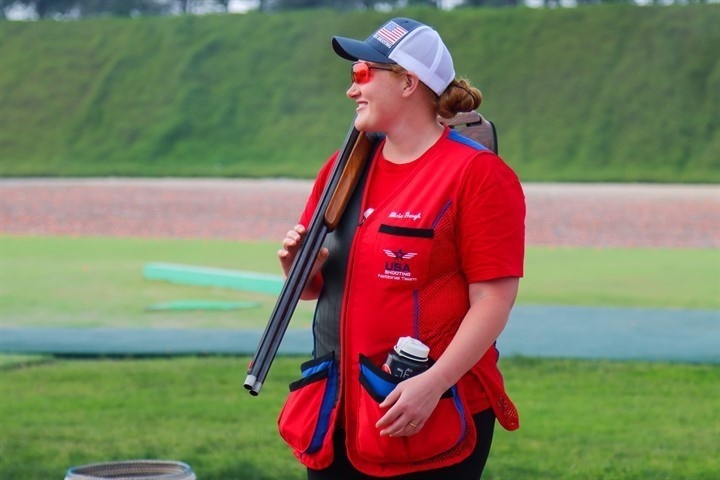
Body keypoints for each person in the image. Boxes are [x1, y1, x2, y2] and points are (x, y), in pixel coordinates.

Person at [276, 17, 525, 480]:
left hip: (432, 407)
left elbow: (493, 299)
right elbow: (316, 290)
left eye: (364, 74)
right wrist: (298, 269)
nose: (352, 90)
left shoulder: (478, 175)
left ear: (409, 82)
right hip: (342, 410)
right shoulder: (342, 167)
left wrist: (433, 383)